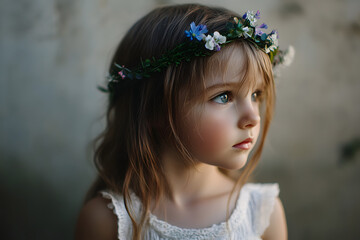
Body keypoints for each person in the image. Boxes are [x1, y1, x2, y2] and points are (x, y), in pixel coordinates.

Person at [75, 3, 292, 240]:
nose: (253, 117)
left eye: (256, 95)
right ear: (154, 109)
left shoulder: (262, 215)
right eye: (224, 96)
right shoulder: (108, 222)